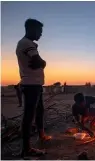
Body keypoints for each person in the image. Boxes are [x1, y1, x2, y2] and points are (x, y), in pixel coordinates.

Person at [16, 19, 51, 157]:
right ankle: (27, 149)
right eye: (39, 31)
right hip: (30, 84)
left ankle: (41, 135)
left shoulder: (27, 44)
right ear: (31, 29)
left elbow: (38, 63)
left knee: (39, 111)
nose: (41, 34)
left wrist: (41, 63)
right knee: (28, 116)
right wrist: (43, 62)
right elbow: (38, 61)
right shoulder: (27, 43)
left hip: (35, 84)